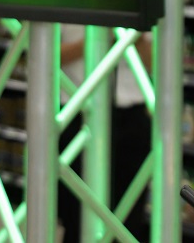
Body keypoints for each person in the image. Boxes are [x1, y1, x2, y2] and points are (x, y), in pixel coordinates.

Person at [56, 23, 152, 243]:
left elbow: (152, 61)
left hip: (130, 116)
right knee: (78, 217)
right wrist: (99, 38)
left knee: (128, 219)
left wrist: (132, 39)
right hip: (78, 112)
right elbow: (47, 56)